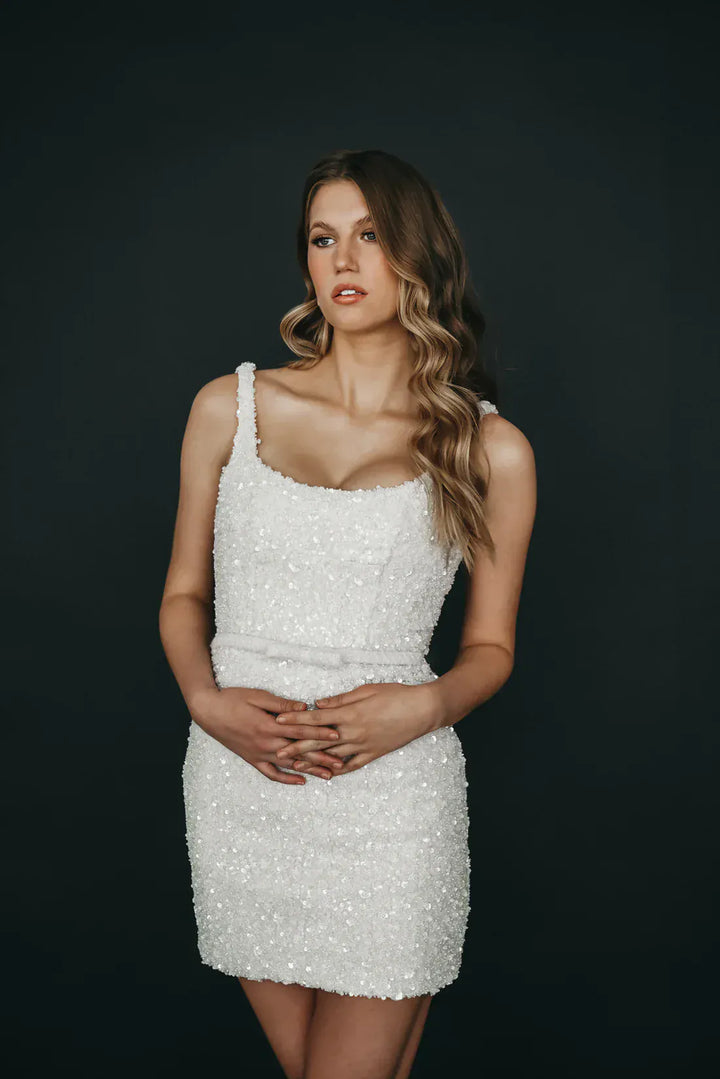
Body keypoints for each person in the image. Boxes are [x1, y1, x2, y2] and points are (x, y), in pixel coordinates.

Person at [159, 149, 536, 1079]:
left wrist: (429, 705)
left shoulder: (490, 448)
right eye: (324, 239)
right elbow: (182, 595)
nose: (344, 261)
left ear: (418, 255)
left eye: (370, 236)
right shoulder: (228, 408)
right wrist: (204, 700)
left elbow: (490, 647)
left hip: (392, 795)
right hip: (245, 787)